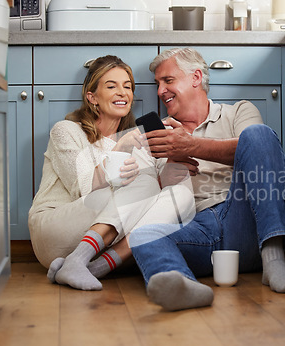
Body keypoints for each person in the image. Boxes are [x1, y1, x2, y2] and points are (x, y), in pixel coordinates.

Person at [128, 47, 285, 311]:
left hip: (244, 220)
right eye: (158, 84)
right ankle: (184, 286)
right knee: (143, 235)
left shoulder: (238, 112)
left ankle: (274, 259)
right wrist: (173, 162)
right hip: (198, 227)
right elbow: (161, 197)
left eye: (168, 81)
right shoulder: (163, 136)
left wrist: (190, 146)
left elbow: (257, 149)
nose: (160, 91)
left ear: (196, 77)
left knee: (258, 134)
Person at [28, 55, 195, 291]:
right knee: (144, 184)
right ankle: (77, 260)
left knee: (181, 195)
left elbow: (164, 197)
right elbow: (83, 188)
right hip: (55, 230)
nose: (122, 92)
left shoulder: (140, 143)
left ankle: (95, 267)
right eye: (111, 86)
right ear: (92, 97)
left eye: (127, 87)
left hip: (105, 242)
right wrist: (120, 148)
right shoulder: (67, 131)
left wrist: (175, 154)